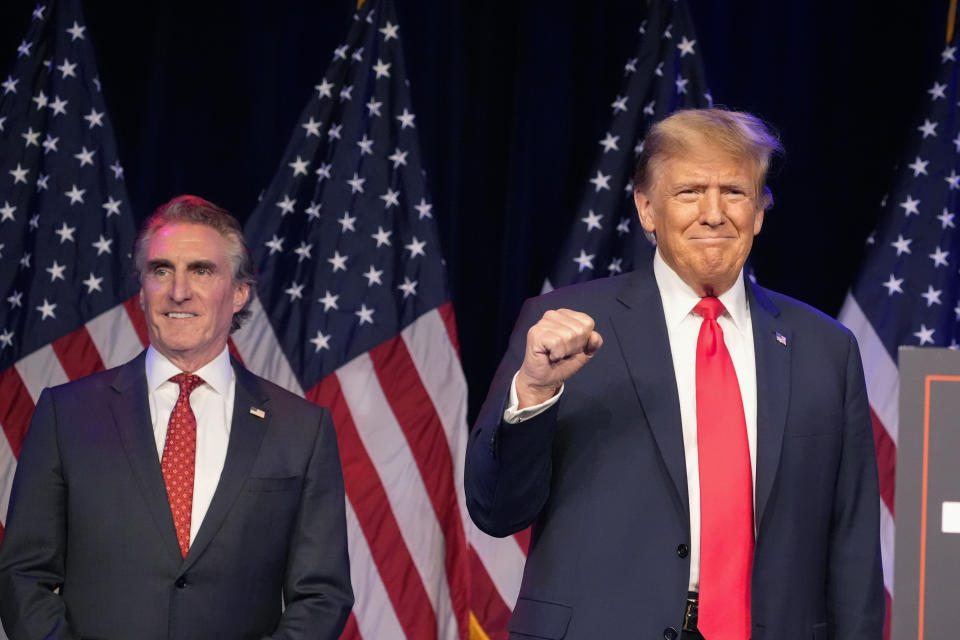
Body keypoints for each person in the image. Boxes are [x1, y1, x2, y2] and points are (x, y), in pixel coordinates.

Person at [465, 109, 884, 640]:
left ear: (759, 212)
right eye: (689, 192)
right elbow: (495, 511)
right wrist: (534, 389)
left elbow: (852, 545)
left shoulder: (827, 349)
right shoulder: (563, 329)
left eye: (734, 191)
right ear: (646, 208)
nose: (713, 214)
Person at [0, 196, 353, 640]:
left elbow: (323, 595)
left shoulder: (301, 428)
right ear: (143, 287)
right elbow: (23, 575)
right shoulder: (64, 414)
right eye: (161, 270)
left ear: (240, 291)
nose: (178, 291)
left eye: (202, 271)